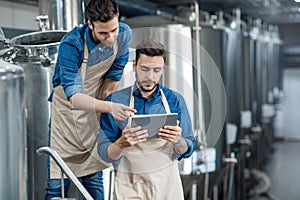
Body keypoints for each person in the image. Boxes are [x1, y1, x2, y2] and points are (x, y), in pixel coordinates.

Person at [46, 0, 136, 199]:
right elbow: (75, 98)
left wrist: (105, 111)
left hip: (95, 111)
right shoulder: (72, 44)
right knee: (56, 184)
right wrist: (108, 107)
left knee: (93, 182)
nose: (111, 37)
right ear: (90, 23)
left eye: (113, 29)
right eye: (103, 33)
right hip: (66, 118)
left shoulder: (124, 34)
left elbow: (112, 78)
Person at [98, 39, 195, 199]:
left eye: (157, 70)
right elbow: (105, 153)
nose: (150, 77)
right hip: (130, 189)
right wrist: (121, 143)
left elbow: (188, 148)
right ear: (135, 65)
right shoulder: (115, 101)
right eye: (144, 69)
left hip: (167, 189)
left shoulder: (175, 100)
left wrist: (178, 140)